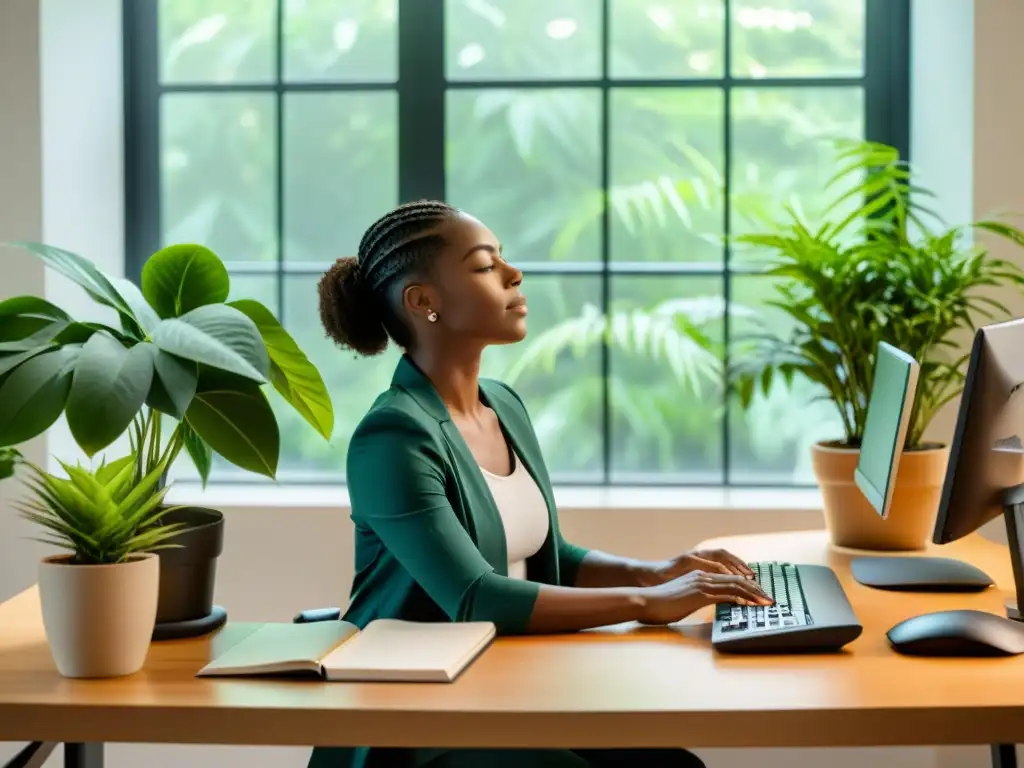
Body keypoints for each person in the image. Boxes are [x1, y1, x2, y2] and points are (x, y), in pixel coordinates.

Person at [310, 200, 774, 768]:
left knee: (674, 764)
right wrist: (649, 603)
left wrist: (658, 570)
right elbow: (476, 595)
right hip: (419, 716)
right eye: (485, 266)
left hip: (511, 685)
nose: (514, 274)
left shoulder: (502, 405)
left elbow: (543, 553)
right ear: (422, 300)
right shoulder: (392, 437)